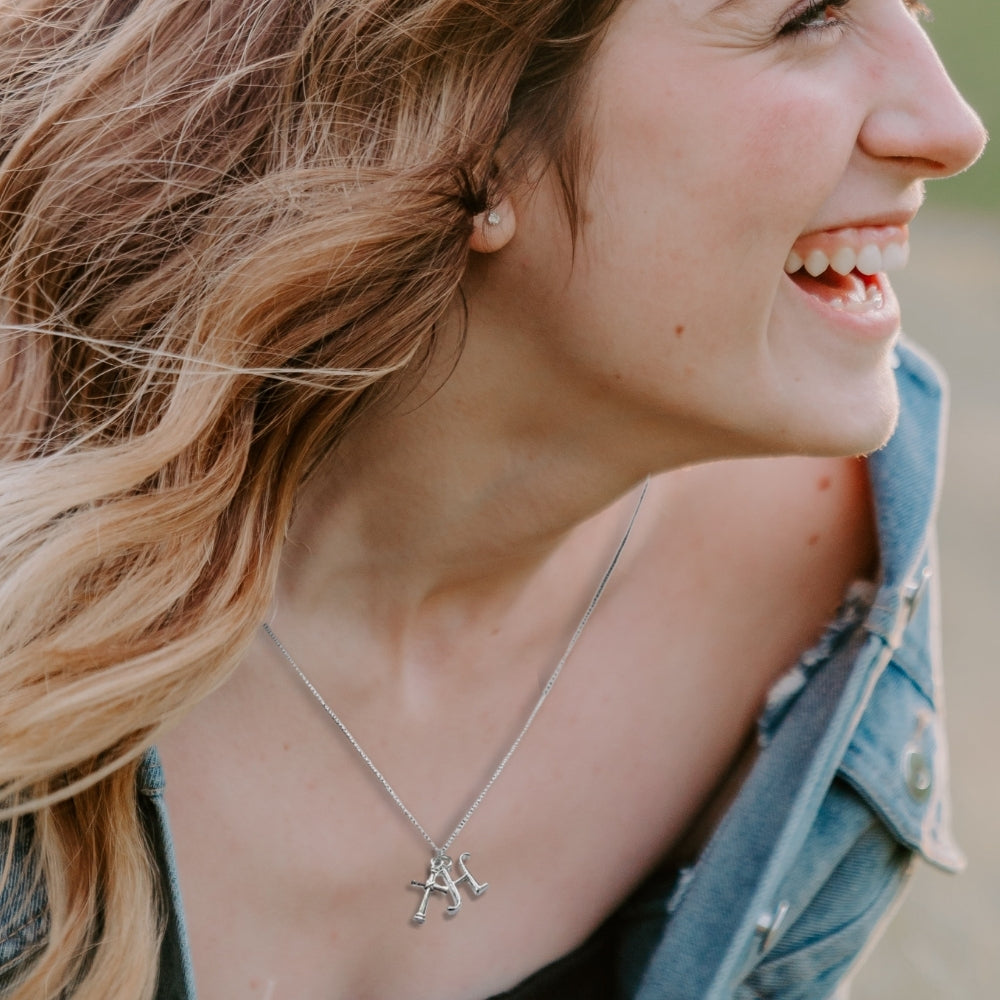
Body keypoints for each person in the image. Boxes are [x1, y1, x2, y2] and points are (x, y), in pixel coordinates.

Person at [0, 0, 986, 997]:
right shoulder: (31, 548)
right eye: (805, 17)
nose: (953, 126)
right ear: (470, 123)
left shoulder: (836, 565)